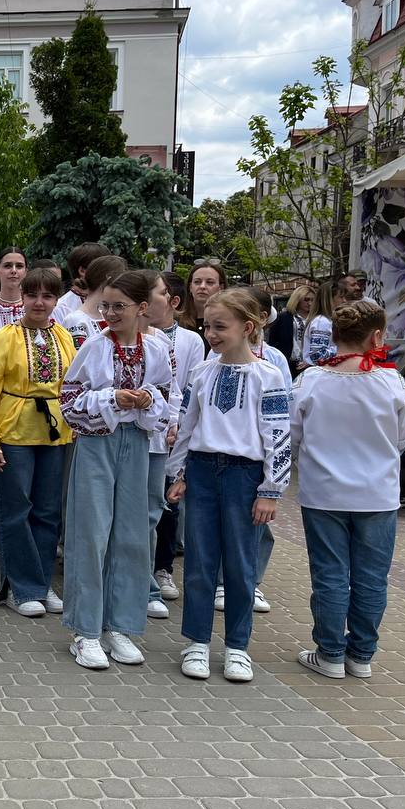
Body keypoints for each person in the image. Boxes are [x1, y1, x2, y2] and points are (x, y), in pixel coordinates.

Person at [166, 289, 291, 683]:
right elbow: (187, 424)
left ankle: (237, 646)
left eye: (220, 326)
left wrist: (271, 489)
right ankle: (197, 642)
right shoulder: (202, 372)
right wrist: (178, 473)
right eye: (207, 326)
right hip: (202, 471)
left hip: (244, 476)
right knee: (201, 561)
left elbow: (279, 435)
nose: (211, 334)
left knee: (241, 564)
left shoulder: (267, 376)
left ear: (248, 327)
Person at [292, 300, 405, 679]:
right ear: (377, 336)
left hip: (323, 492)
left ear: (333, 335)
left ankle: (329, 652)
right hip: (376, 493)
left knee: (329, 573)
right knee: (372, 577)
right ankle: (361, 655)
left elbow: (292, 436)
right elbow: (404, 434)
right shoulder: (391, 381)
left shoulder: (310, 380)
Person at [59, 268, 171, 670]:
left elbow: (165, 397)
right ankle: (85, 631)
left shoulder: (156, 349)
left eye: (119, 306)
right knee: (90, 533)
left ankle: (119, 626)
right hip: (97, 443)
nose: (110, 313)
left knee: (130, 534)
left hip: (137, 444)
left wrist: (146, 400)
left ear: (142, 308)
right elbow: (70, 400)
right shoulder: (94, 346)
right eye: (105, 305)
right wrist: (111, 398)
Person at [0, 265, 73, 617]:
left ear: (57, 299)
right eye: (33, 295)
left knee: (47, 512)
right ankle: (20, 586)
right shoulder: (6, 337)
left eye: (47, 296)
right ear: (23, 297)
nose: (39, 302)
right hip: (13, 432)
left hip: (54, 434)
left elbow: (72, 385)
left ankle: (42, 583)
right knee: (16, 511)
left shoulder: (63, 336)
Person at [143, 270, 205, 620]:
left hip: (174, 431)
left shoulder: (190, 341)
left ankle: (162, 568)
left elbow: (188, 387)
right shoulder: (137, 334)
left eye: (155, 295)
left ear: (173, 301)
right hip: (147, 432)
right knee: (144, 504)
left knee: (168, 501)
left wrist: (177, 426)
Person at [61, 255, 126, 351]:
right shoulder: (76, 320)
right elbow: (79, 361)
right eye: (123, 281)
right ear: (109, 280)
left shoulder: (112, 317)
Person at [305, 275, 359, 366]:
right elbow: (317, 355)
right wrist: (347, 349)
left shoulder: (328, 320)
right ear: (329, 299)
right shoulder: (321, 322)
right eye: (341, 297)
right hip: (320, 373)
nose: (344, 301)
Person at [54, 243, 111, 326]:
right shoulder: (61, 307)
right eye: (104, 268)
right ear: (83, 271)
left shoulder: (111, 303)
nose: (109, 273)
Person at [267, 283, 315, 373]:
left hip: (310, 364)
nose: (310, 303)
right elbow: (273, 341)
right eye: (306, 300)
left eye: (313, 300)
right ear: (298, 299)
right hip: (288, 362)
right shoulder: (284, 317)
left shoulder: (317, 319)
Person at [178, 258, 226, 333]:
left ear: (221, 288)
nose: (202, 286)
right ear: (190, 287)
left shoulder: (229, 322)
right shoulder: (175, 322)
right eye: (197, 282)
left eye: (209, 282)